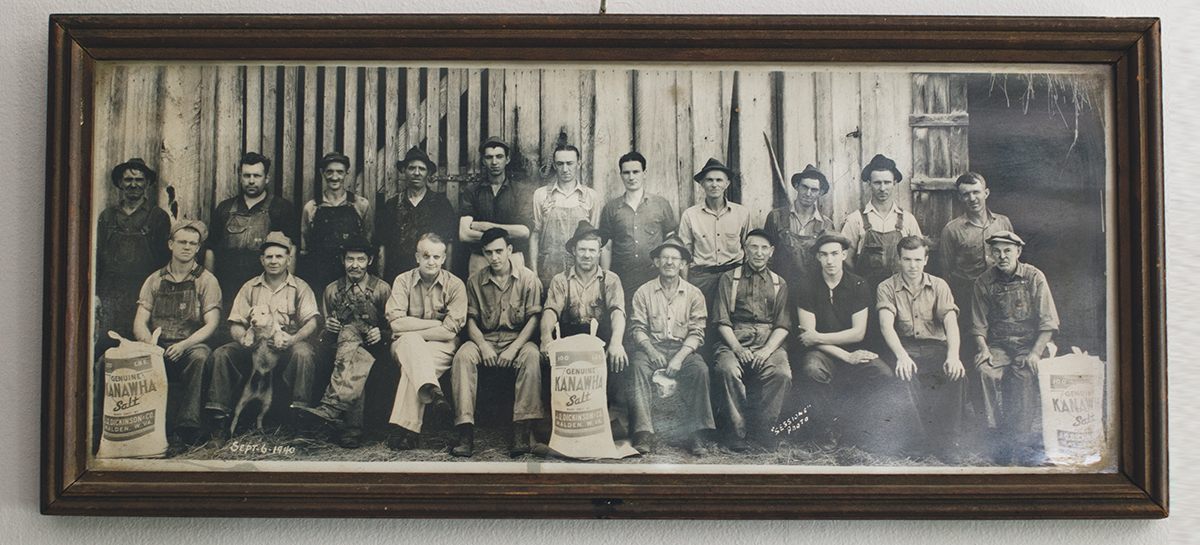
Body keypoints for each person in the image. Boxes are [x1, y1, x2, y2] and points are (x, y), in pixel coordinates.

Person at [794, 233, 909, 449]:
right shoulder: (806, 286)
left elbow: (857, 333)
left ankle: (860, 430)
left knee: (882, 373)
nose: (830, 260)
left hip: (854, 348)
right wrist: (845, 355)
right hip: (823, 352)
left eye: (835, 254)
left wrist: (820, 337)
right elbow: (807, 339)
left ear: (844, 255)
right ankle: (825, 431)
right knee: (812, 368)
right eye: (824, 255)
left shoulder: (858, 284)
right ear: (818, 257)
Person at [207, 232, 321, 436]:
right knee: (221, 354)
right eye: (269, 257)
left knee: (304, 353)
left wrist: (292, 339)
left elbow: (311, 323)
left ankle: (300, 421)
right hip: (254, 346)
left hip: (286, 346)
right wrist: (243, 338)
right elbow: (235, 322)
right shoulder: (250, 287)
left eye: (279, 256)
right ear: (261, 260)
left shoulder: (300, 288)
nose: (274, 261)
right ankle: (219, 421)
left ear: (288, 259)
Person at [450, 228, 545, 457]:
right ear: (483, 253)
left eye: (499, 251)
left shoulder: (528, 279)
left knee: (532, 356)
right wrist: (482, 345)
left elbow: (534, 319)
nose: (495, 257)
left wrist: (513, 349)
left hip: (518, 341)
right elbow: (470, 321)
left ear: (510, 250)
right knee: (463, 355)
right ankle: (465, 430)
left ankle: (521, 429)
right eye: (489, 252)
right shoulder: (474, 281)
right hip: (485, 339)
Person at [969, 230, 1061, 464]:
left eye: (1007, 251)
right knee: (984, 371)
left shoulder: (1034, 277)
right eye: (997, 251)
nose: (1002, 256)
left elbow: (1048, 322)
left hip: (1029, 344)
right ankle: (996, 434)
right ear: (991, 254)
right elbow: (979, 325)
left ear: (1018, 252)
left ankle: (1020, 441)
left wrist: (1035, 353)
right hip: (998, 345)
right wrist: (983, 349)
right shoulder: (984, 281)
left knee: (1024, 374)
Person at [130, 220, 222, 445]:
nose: (187, 247)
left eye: (193, 243)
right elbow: (139, 322)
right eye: (182, 242)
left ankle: (186, 428)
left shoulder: (206, 280)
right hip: (157, 345)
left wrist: (184, 345)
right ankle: (136, 427)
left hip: (189, 346)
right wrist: (149, 345)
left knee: (201, 357)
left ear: (198, 248)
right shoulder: (154, 279)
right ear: (171, 244)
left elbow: (212, 323)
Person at [296, 235, 391, 449]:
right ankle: (352, 430)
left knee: (357, 357)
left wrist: (382, 334)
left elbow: (394, 324)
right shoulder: (332, 290)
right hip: (339, 349)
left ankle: (332, 407)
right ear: (343, 261)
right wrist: (328, 328)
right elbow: (323, 332)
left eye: (360, 259)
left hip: (373, 347)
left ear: (370, 261)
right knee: (352, 350)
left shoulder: (382, 289)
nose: (354, 265)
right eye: (350, 259)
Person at [876, 236, 965, 461]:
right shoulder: (886, 287)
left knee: (957, 375)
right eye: (907, 259)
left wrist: (953, 356)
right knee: (904, 375)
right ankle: (917, 443)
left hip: (936, 347)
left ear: (926, 259)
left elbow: (950, 322)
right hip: (905, 347)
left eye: (917, 259)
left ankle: (947, 443)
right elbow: (886, 325)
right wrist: (901, 356)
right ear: (899, 260)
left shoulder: (939, 285)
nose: (912, 266)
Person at [626, 235, 715, 456]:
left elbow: (697, 332)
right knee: (637, 367)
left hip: (682, 349)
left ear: (683, 264)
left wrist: (679, 357)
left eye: (675, 259)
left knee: (700, 370)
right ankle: (643, 433)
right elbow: (637, 328)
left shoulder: (694, 294)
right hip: (652, 347)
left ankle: (695, 434)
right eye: (664, 258)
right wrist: (650, 350)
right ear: (656, 262)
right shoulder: (643, 292)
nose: (669, 263)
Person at [540, 220, 629, 437]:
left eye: (592, 250)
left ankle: (614, 419)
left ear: (599, 252)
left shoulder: (610, 280)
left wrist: (616, 342)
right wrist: (545, 339)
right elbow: (551, 311)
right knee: (543, 358)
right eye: (582, 250)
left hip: (600, 340)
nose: (587, 255)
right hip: (570, 339)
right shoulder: (561, 280)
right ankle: (553, 417)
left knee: (620, 358)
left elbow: (618, 312)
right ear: (573, 251)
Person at [383, 233, 467, 451]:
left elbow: (450, 332)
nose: (432, 261)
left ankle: (406, 430)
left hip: (442, 347)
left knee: (414, 367)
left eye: (437, 257)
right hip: (404, 345)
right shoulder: (403, 281)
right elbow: (396, 325)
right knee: (412, 342)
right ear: (416, 257)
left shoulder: (455, 285)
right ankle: (432, 391)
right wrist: (434, 326)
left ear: (444, 258)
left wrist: (414, 326)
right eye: (426, 256)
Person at [711, 229, 792, 452]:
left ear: (771, 252)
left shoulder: (779, 283)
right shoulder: (729, 279)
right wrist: (737, 348)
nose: (759, 253)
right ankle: (737, 432)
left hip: (768, 341)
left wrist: (766, 351)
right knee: (726, 369)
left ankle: (763, 431)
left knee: (781, 373)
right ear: (745, 250)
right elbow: (721, 321)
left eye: (764, 248)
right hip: (734, 337)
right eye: (753, 247)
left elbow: (783, 325)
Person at [206, 152, 300, 313]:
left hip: (265, 288)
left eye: (256, 176)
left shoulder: (281, 208)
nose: (251, 181)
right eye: (247, 175)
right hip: (228, 288)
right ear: (240, 177)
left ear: (266, 178)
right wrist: (209, 286)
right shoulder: (225, 208)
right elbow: (210, 250)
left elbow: (292, 250)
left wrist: (285, 289)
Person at [96, 157, 172, 345]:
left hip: (143, 294)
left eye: (139, 180)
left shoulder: (158, 217)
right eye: (128, 180)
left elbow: (164, 261)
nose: (133, 184)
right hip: (110, 294)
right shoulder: (107, 216)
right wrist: (96, 293)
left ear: (146, 183)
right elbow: (97, 257)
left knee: (141, 348)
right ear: (120, 183)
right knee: (108, 345)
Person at [597, 151, 677, 306]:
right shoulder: (611, 208)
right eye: (626, 173)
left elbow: (671, 240)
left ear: (644, 173)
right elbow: (606, 247)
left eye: (636, 172)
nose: (631, 177)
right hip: (623, 278)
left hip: (655, 276)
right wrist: (606, 278)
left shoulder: (661, 204)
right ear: (620, 175)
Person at [840, 154, 923, 288]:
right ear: (869, 184)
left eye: (887, 182)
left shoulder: (908, 219)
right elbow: (845, 259)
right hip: (865, 292)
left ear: (894, 183)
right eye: (877, 183)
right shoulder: (855, 220)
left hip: (900, 292)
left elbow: (918, 255)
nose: (882, 188)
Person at [376, 146, 457, 283]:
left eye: (422, 169)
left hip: (431, 275)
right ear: (404, 171)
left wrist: (446, 277)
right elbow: (382, 247)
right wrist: (382, 279)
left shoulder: (440, 204)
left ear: (428, 173)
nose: (417, 173)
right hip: (397, 274)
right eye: (412, 168)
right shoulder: (392, 205)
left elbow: (448, 244)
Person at [458, 136, 535, 277]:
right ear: (483, 161)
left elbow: (524, 232)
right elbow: (464, 234)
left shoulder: (520, 191)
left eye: (499, 157)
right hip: (481, 258)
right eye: (489, 157)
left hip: (513, 257)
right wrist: (507, 232)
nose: (494, 162)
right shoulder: (472, 191)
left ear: (507, 159)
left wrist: (486, 226)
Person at [298, 151, 373, 294]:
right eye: (330, 172)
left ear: (347, 173)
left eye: (339, 172)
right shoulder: (311, 207)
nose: (334, 177)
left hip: (351, 275)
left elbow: (368, 241)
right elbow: (304, 247)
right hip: (319, 275)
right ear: (322, 173)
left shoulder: (361, 205)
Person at [677, 157, 753, 297]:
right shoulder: (690, 215)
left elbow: (749, 249)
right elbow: (685, 256)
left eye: (719, 180)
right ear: (702, 183)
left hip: (734, 277)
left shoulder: (742, 213)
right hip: (702, 279)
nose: (714, 185)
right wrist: (685, 286)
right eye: (709, 180)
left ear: (727, 184)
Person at [530, 143, 600, 289]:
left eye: (570, 163)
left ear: (579, 164)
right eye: (560, 164)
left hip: (582, 273)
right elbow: (535, 235)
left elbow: (596, 240)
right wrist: (534, 273)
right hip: (548, 270)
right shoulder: (541, 195)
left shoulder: (590, 196)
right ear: (555, 166)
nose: (565, 169)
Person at [763, 164, 835, 293]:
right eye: (804, 187)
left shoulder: (826, 225)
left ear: (820, 193)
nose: (808, 193)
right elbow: (766, 257)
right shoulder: (776, 217)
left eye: (814, 190)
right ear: (797, 186)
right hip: (780, 289)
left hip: (812, 292)